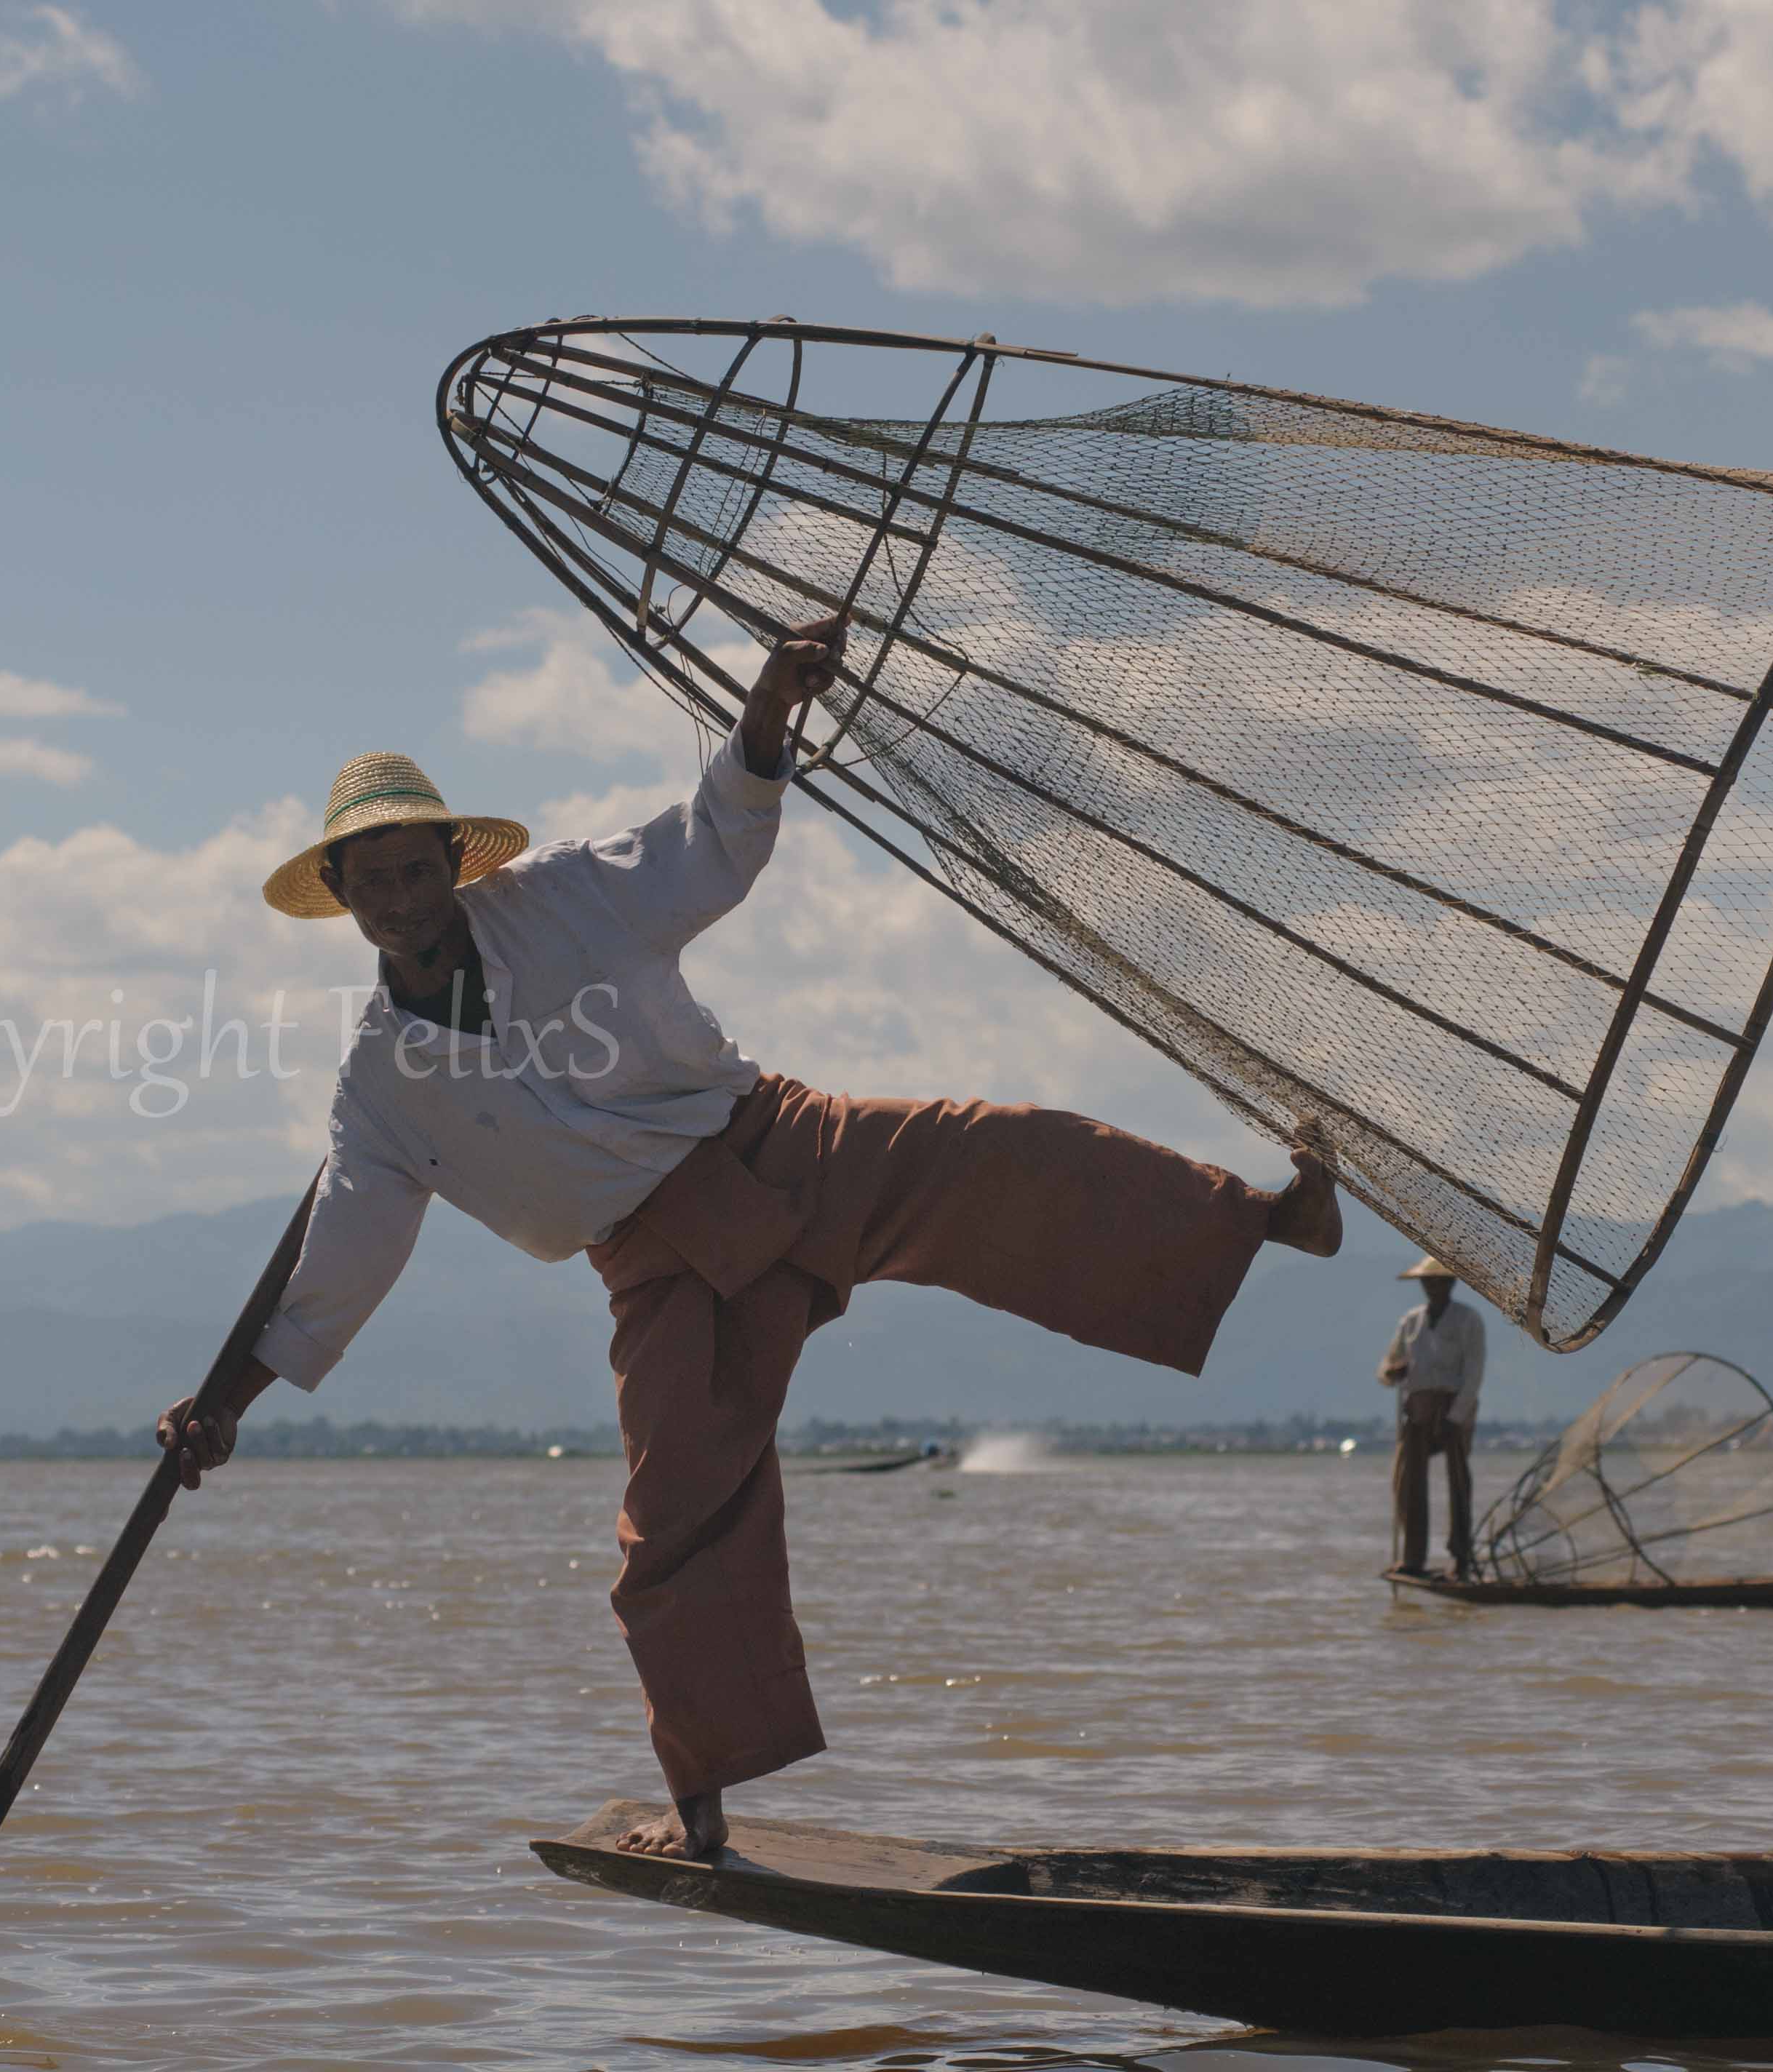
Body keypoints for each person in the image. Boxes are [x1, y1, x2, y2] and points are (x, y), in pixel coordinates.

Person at [156, 612, 1343, 1861]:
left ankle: (1261, 1218)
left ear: (454, 858)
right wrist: (224, 1402)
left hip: (772, 1145)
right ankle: (706, 1800)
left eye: (415, 868)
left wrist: (769, 710)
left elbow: (704, 843)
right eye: (372, 879)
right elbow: (343, 1255)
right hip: (656, 1263)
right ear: (338, 896)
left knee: (995, 1154)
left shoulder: (559, 897)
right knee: (672, 1529)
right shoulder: (380, 1086)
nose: (400, 899)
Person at [1378, 1256, 1483, 1577]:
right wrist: (1392, 1372)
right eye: (1428, 1282)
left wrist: (1456, 1417)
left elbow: (1473, 1374)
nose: (1432, 1288)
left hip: (1453, 1405)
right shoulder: (1410, 1321)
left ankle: (1461, 1558)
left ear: (1451, 1283)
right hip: (1418, 1406)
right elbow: (1386, 1367)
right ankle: (1413, 1558)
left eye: (1439, 1282)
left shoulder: (1468, 1320)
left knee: (1458, 1481)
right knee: (1407, 1481)